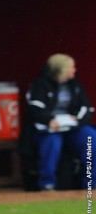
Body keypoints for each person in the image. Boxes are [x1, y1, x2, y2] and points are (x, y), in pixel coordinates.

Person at [25, 53, 96, 191]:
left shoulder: (75, 85)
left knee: (91, 138)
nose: (74, 70)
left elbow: (86, 107)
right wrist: (49, 120)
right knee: (52, 142)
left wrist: (79, 119)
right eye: (71, 67)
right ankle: (47, 183)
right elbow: (35, 108)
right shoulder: (40, 85)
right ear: (61, 69)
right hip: (49, 128)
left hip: (72, 127)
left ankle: (92, 182)